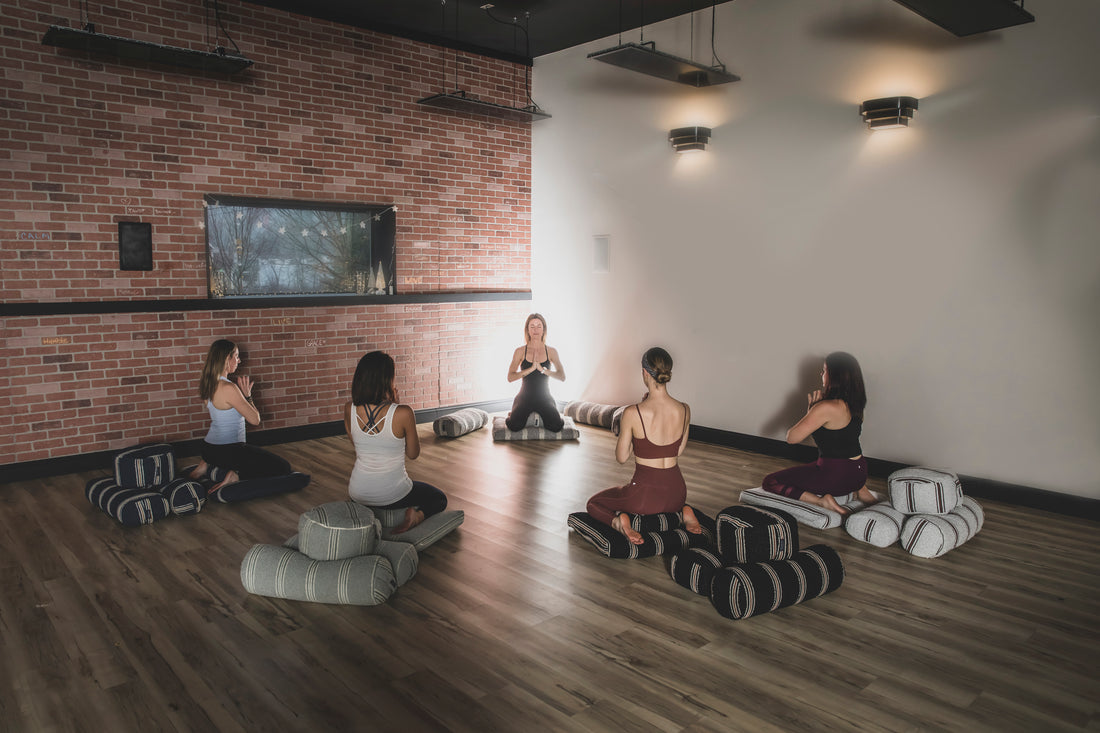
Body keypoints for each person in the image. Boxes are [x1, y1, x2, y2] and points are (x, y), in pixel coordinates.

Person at [585, 347, 703, 545]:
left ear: (645, 373)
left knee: (594, 503)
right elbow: (678, 451)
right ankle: (683, 511)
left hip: (644, 498)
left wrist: (631, 429)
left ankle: (619, 523)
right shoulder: (684, 409)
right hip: (678, 493)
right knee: (664, 500)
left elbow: (621, 458)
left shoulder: (633, 413)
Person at [761, 351, 878, 515]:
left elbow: (791, 438)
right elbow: (841, 440)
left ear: (836, 376)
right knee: (813, 467)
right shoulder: (855, 404)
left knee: (770, 481)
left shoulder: (826, 407)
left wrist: (811, 411)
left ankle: (822, 501)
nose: (821, 374)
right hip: (859, 473)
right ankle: (861, 490)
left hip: (837, 477)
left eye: (824, 370)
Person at [345, 351, 447, 533]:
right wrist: (395, 405)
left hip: (357, 493)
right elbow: (413, 454)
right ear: (387, 380)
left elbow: (358, 446)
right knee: (438, 498)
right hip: (392, 495)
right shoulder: (403, 412)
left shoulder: (348, 409)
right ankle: (415, 517)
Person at [189, 339, 291, 491]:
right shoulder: (229, 387)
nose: (239, 360)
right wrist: (248, 396)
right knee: (282, 467)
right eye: (236, 356)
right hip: (228, 451)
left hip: (208, 449)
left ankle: (204, 465)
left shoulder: (207, 384)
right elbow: (255, 420)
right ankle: (234, 476)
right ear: (226, 359)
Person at [505, 313, 566, 432]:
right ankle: (512, 413)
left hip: (544, 396)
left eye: (539, 326)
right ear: (527, 330)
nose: (535, 330)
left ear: (544, 329)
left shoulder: (551, 351)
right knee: (514, 426)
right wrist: (531, 369)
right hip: (524, 396)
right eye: (532, 326)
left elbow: (562, 376)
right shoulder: (520, 351)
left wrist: (543, 370)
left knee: (556, 426)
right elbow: (510, 377)